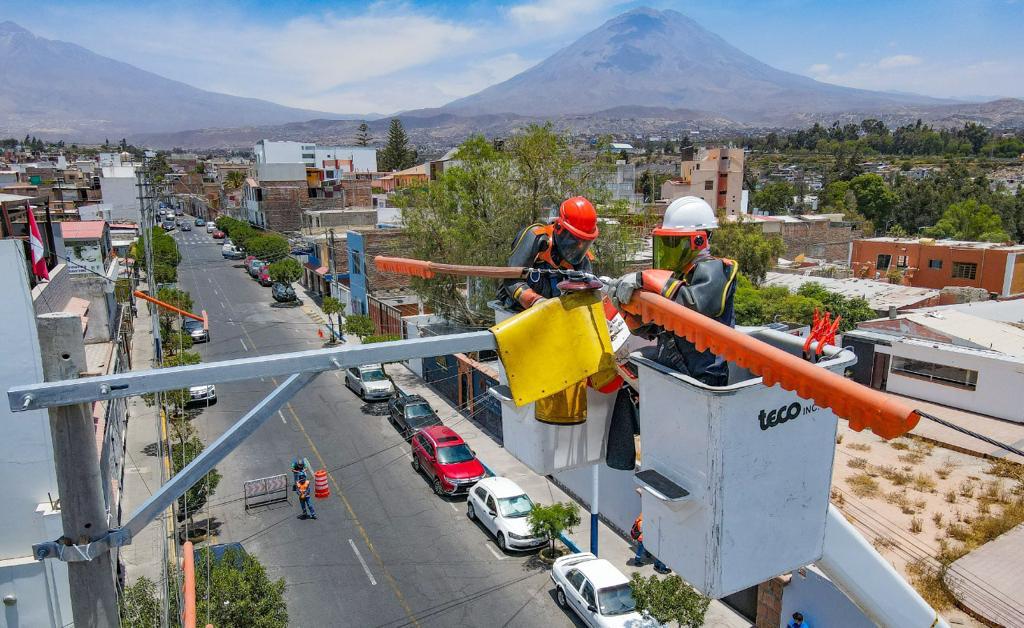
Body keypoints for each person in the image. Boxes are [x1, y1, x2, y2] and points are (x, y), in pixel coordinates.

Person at [607, 196, 738, 386]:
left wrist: (646, 278)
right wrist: (632, 315)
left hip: (704, 378)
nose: (668, 249)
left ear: (698, 241)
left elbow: (695, 305)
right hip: (675, 368)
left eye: (673, 243)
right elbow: (661, 327)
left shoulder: (717, 270)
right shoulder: (678, 279)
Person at [498, 196, 600, 311]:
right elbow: (511, 280)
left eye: (584, 242)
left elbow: (588, 289)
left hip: (555, 312)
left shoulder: (581, 255)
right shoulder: (536, 238)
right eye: (573, 240)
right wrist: (535, 301)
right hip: (517, 311)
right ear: (559, 228)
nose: (578, 246)